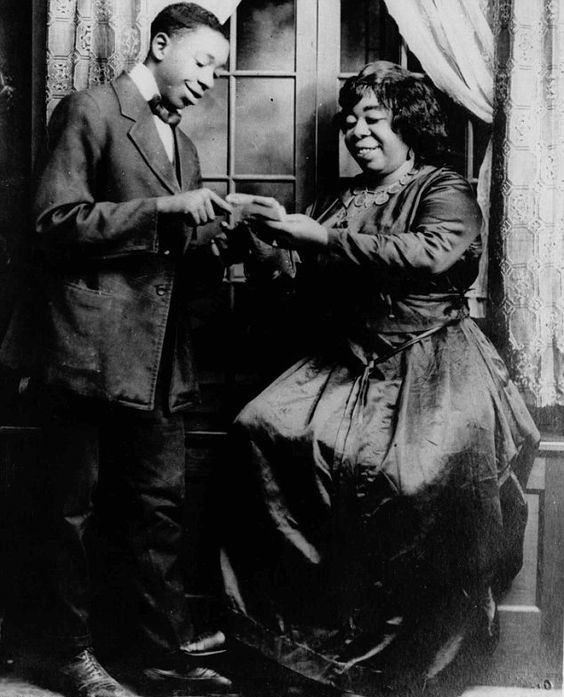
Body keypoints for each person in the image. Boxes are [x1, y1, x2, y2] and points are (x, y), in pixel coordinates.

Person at [218, 61, 540, 696]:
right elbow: (300, 281)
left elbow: (430, 253)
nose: (357, 132)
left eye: (373, 119)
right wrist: (264, 245)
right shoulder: (339, 198)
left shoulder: (441, 187)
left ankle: (401, 665)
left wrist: (321, 237)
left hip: (429, 359)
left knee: (410, 478)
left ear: (408, 125)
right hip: (344, 358)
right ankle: (304, 646)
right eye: (349, 120)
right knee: (259, 429)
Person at [0, 4, 234, 696]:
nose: (209, 82)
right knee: (71, 507)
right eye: (202, 63)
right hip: (85, 348)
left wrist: (229, 235)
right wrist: (165, 211)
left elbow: (174, 254)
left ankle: (159, 654)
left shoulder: (183, 147)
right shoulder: (89, 109)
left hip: (159, 360)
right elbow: (53, 220)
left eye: (218, 71)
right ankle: (65, 654)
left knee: (158, 508)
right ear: (160, 45)